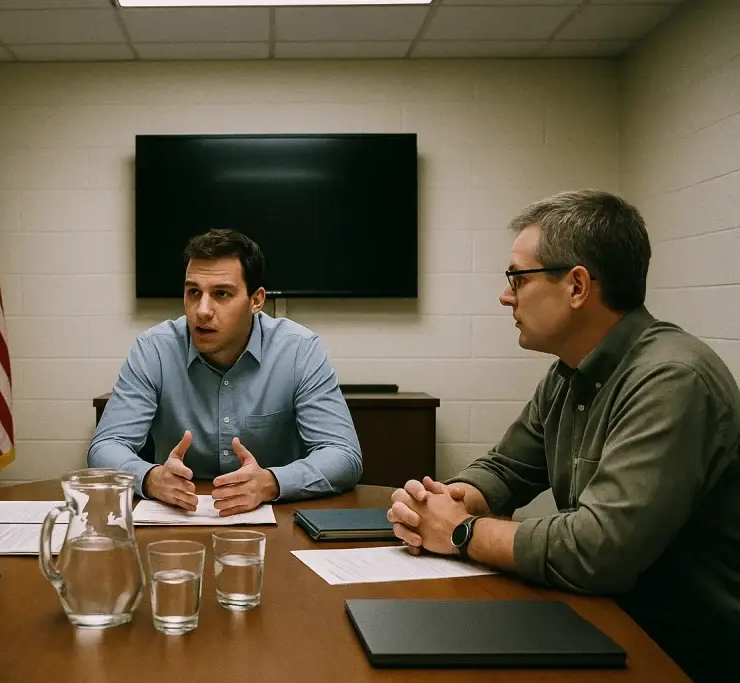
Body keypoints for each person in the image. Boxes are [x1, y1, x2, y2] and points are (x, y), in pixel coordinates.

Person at [387, 190, 740, 682]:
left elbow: (599, 552)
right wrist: (452, 498)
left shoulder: (673, 379)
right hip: (600, 620)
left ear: (576, 286)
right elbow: (507, 467)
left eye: (518, 277)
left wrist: (462, 531)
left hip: (673, 652)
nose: (506, 294)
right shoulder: (568, 372)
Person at [88, 229, 362, 514]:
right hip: (177, 516)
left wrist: (271, 482)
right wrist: (151, 478)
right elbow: (106, 447)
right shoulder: (154, 350)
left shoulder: (299, 350)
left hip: (274, 517)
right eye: (193, 292)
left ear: (256, 300)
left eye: (221, 294)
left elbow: (343, 456)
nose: (202, 310)